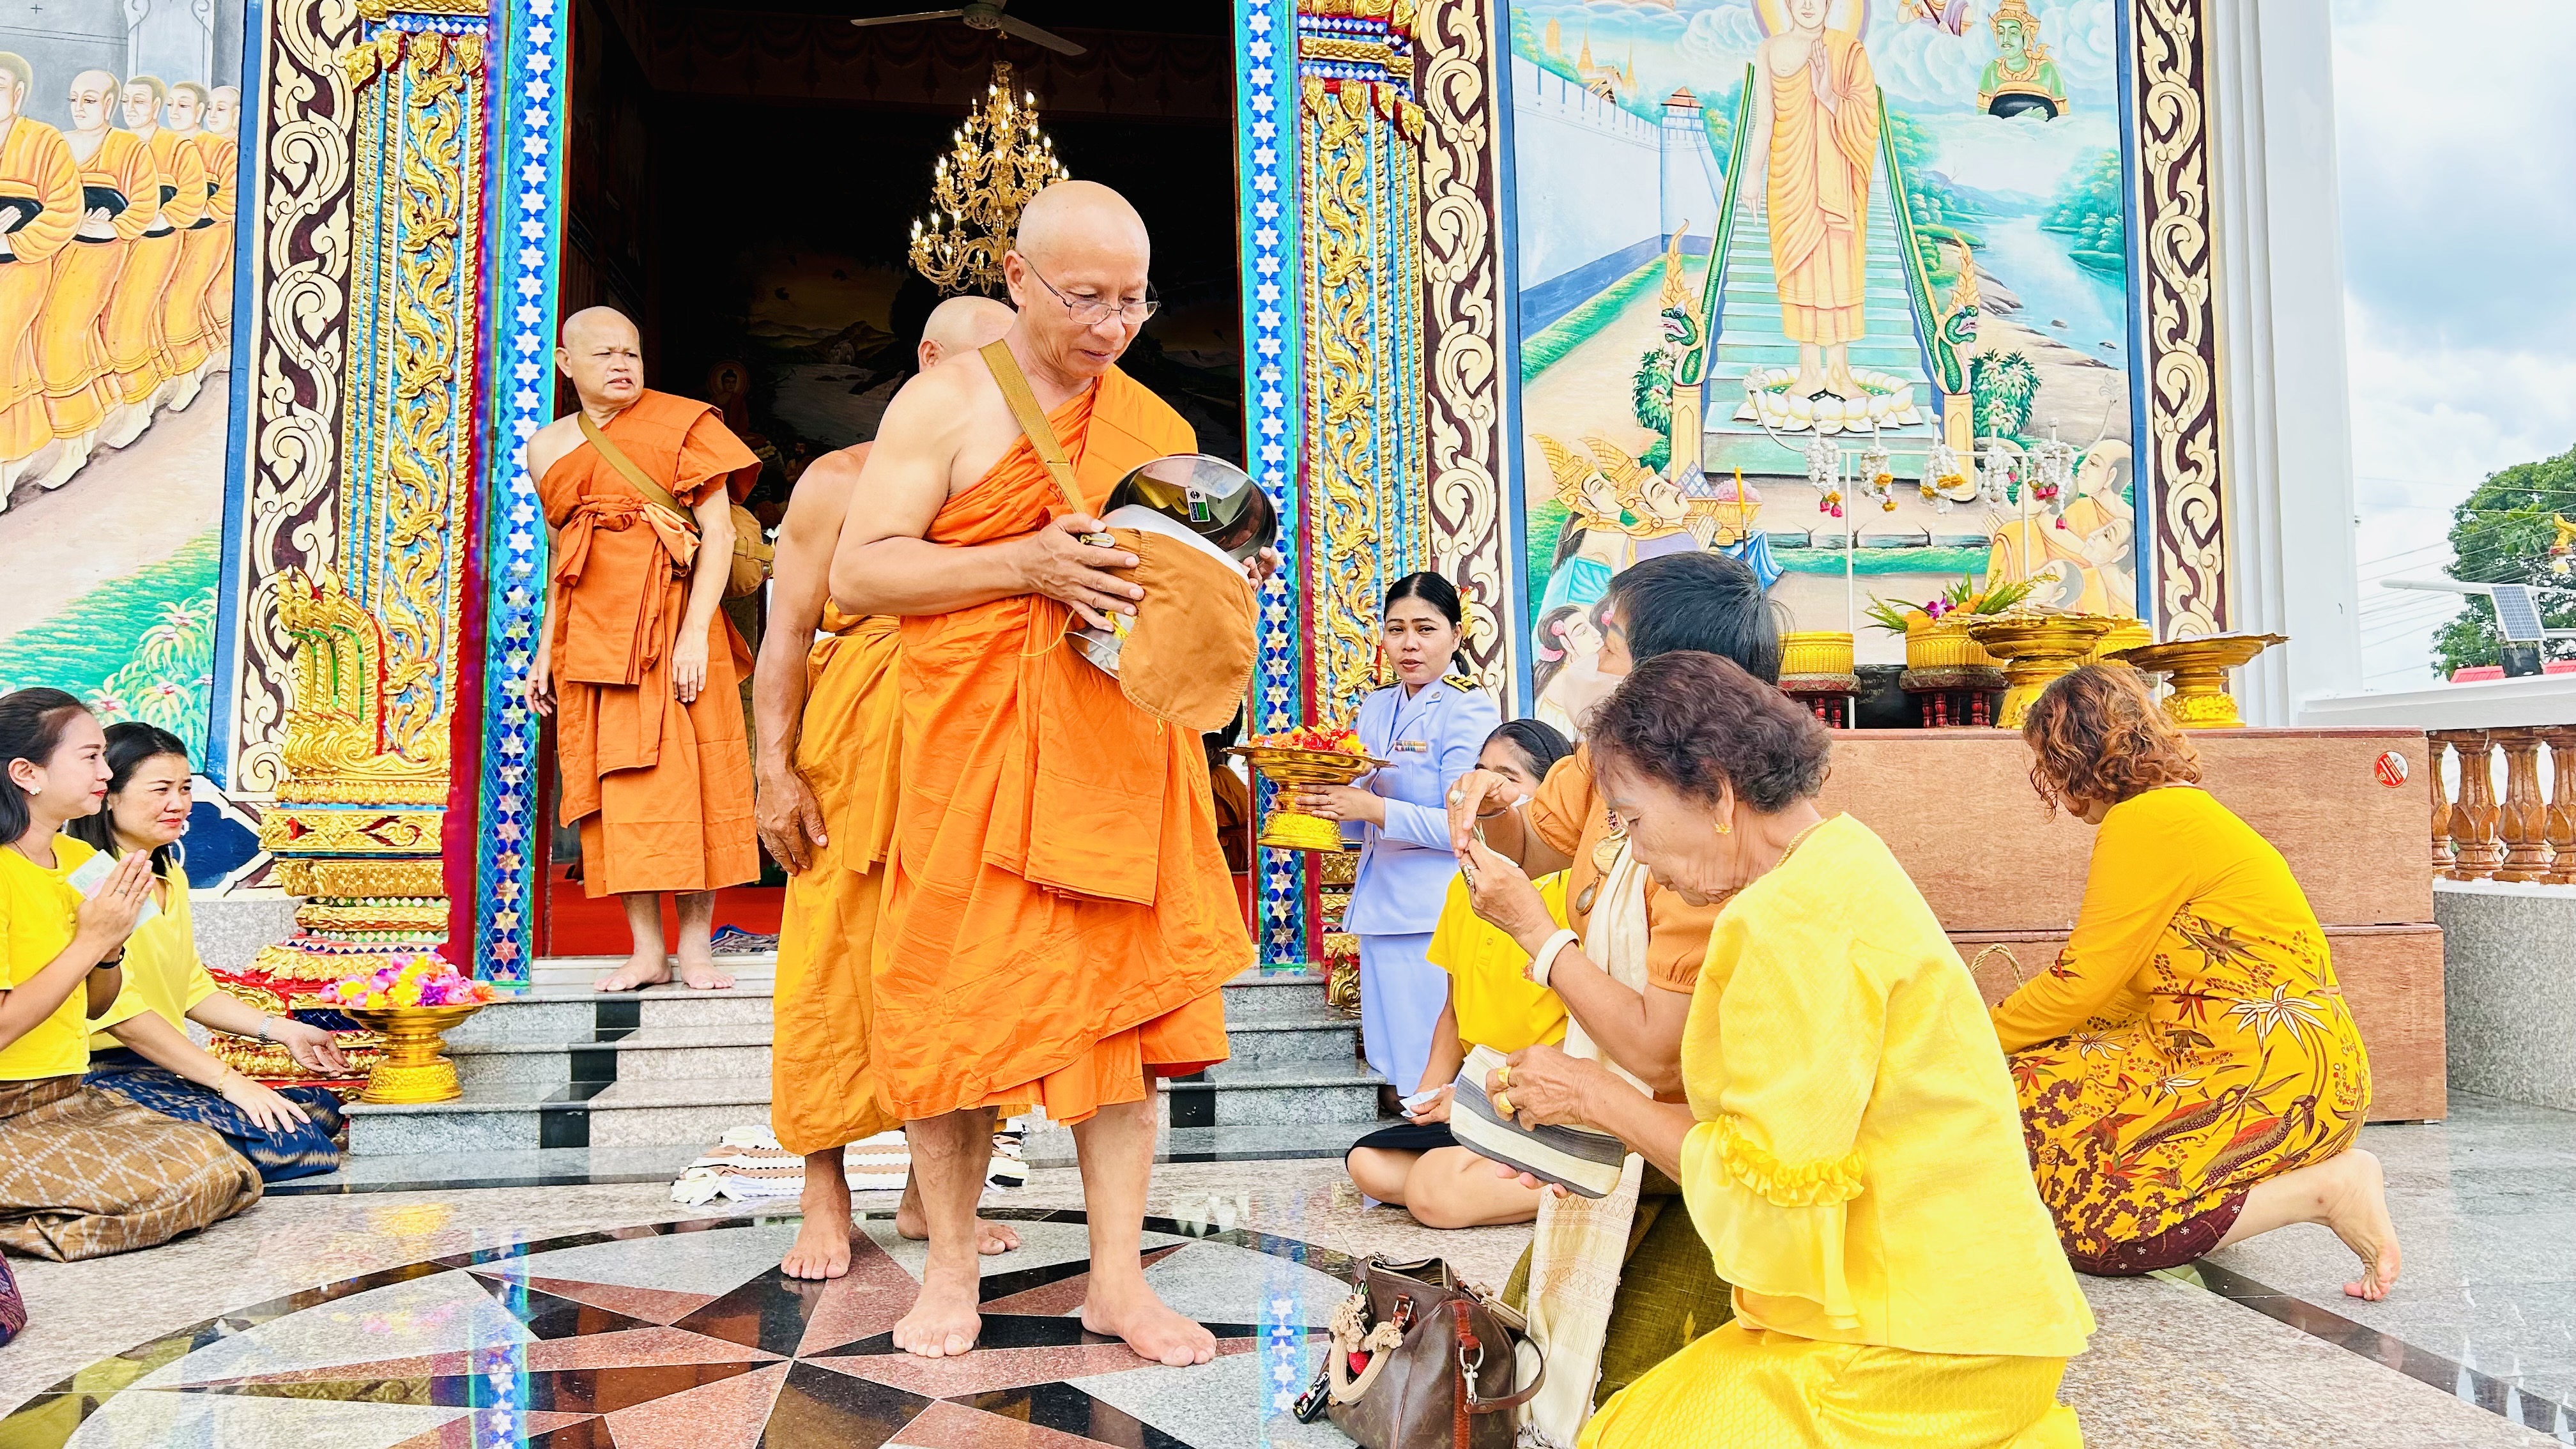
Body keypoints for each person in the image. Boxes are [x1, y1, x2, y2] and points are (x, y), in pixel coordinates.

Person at [827, 180, 1266, 1365]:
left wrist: (1219, 597)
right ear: (1017, 279)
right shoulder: (946, 404)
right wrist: (1021, 561)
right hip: (970, 760)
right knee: (953, 1010)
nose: (1113, 324)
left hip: (1119, 759)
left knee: (1121, 1026)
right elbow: (859, 578)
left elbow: (1170, 596)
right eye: (1086, 297)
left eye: (1134, 299)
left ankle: (1117, 1279)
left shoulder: (1159, 425)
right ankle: (953, 1264)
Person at [1463, 652, 2094, 1448]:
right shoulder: (1842, 857)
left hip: (1921, 1341)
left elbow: (1767, 1199)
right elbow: (1784, 1123)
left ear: (1718, 793)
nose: (1633, 850)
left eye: (1630, 818)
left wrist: (1597, 1097)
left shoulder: (1784, 922)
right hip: (1981, 1312)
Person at [1443, 550, 1781, 1438]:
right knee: (1524, 1367)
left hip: (1708, 1153)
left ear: (1677, 680)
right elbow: (1539, 845)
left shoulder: (1717, 834)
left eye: (1616, 643)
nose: (1595, 661)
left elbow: (1656, 1053)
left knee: (1622, 1402)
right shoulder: (1607, 762)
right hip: (1611, 1135)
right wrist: (1490, 809)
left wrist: (1537, 934)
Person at [755, 295, 1020, 1280]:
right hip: (857, 754)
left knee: (971, 971)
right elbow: (786, 635)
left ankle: (933, 1191)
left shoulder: (1019, 485)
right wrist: (772, 770)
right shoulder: (840, 481)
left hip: (976, 756)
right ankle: (825, 1195)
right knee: (829, 966)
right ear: (926, 360)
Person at [1993, 664, 2399, 1298]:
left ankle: (2329, 1190)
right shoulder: (2174, 813)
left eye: (2046, 764)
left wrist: (1969, 1034)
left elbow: (2081, 982)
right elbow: (2116, 995)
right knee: (2033, 1089)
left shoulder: (2150, 823)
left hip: (2266, 1073)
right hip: (2280, 1064)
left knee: (2105, 1231)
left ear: (2071, 759)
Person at [526, 306, 763, 993]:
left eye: (630, 352)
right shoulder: (548, 447)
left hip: (676, 628)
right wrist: (548, 650)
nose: (622, 365)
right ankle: (645, 951)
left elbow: (716, 535)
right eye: (603, 355)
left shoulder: (687, 424)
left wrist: (695, 632)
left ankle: (695, 949)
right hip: (595, 638)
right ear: (567, 365)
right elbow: (561, 557)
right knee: (620, 790)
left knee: (698, 783)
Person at [0, 689, 261, 1261]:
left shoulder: (80, 865)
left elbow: (97, 1003)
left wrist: (109, 949)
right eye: (91, 758)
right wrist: (91, 939)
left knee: (223, 1168)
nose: (105, 771)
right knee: (175, 1188)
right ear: (27, 773)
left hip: (62, 1095)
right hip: (7, 1105)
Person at [70, 723, 349, 1182]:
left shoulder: (166, 875)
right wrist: (230, 1081)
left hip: (158, 1070)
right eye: (160, 789)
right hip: (102, 1072)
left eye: (184, 788)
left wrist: (283, 1031)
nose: (178, 804)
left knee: (321, 1110)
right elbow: (121, 1017)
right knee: (296, 1145)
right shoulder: (92, 879)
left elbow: (192, 989)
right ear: (109, 796)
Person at [1345, 718, 1570, 1229]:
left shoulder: (1572, 891)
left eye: (1507, 778)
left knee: (1433, 1190)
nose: (1484, 789)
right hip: (1474, 1093)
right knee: (1369, 1164)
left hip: (1538, 1097)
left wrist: (1482, 1097)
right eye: (1480, 772)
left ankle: (1587, 1183)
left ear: (1552, 798)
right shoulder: (1463, 887)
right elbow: (1452, 1011)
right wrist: (1424, 1099)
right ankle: (1501, 1167)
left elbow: (1586, 1033)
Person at [1293, 572, 1500, 1100]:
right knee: (1390, 1060)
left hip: (1431, 913)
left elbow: (1461, 824)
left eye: (1426, 629)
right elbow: (1362, 817)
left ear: (1456, 635)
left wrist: (1374, 807)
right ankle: (1404, 1178)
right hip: (1381, 907)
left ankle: (1430, 1175)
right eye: (1396, 629)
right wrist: (1318, 804)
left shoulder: (1467, 707)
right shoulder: (1377, 706)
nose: (1409, 644)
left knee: (1425, 1068)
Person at [1748, 0, 1880, 401]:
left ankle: (1839, 372)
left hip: (1837, 171)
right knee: (1799, 266)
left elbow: (1867, 114)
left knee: (1837, 263)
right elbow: (1765, 117)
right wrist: (1751, 173)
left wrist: (1828, 96)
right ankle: (1808, 372)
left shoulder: (1848, 50)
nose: (1807, 5)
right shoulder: (1769, 50)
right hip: (1789, 173)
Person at [36, 70, 151, 473]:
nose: (79, 108)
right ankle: (91, 418)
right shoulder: (58, 144)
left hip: (102, 253)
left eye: (89, 99)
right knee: (53, 340)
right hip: (56, 252)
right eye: (73, 99)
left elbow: (144, 204)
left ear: (108, 104)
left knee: (65, 336)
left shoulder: (129, 147)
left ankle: (76, 445)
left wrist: (110, 226)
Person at [0, 54, 79, 492]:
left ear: (19, 93)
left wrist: (10, 241)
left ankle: (5, 465)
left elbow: (66, 209)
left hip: (23, 267)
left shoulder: (44, 141)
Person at [100, 74, 201, 415]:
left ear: (156, 106)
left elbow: (192, 197)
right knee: (127, 321)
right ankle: (150, 386)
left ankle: (141, 408)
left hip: (157, 241)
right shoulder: (114, 145)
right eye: (126, 101)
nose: (130, 108)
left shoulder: (177, 147)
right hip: (114, 243)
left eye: (139, 101)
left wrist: (160, 216)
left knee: (133, 320)